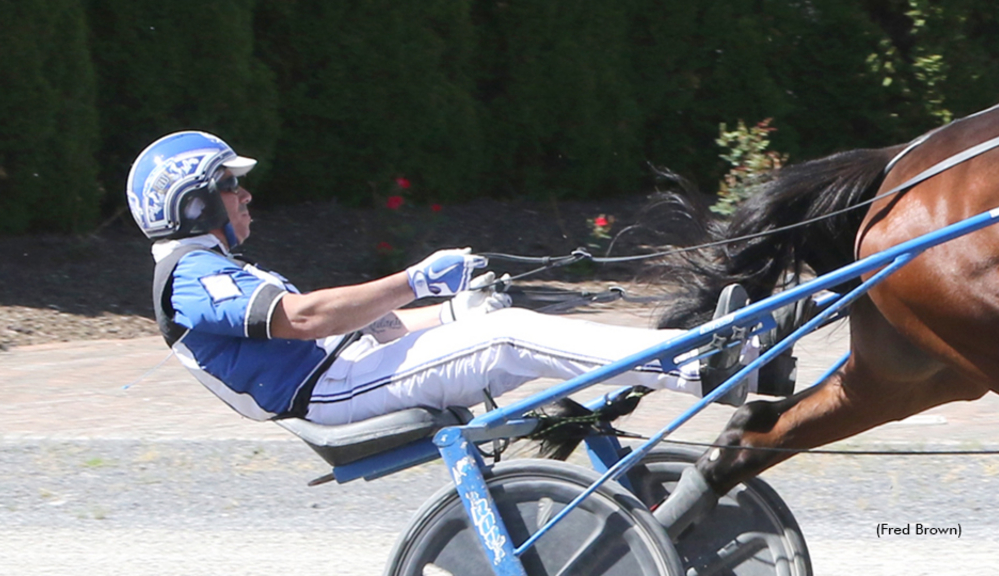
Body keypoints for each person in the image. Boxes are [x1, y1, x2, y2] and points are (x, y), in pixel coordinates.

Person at [126, 131, 762, 426]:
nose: (246, 195)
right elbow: (306, 320)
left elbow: (372, 325)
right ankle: (703, 368)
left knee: (494, 321)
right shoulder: (187, 277)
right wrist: (417, 278)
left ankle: (708, 355)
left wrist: (456, 308)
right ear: (192, 203)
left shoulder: (218, 270)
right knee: (508, 337)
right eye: (231, 185)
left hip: (345, 371)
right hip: (329, 391)